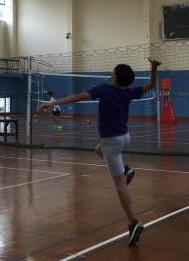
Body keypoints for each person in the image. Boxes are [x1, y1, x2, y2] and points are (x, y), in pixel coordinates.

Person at [39, 58, 161, 246]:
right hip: (124, 138)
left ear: (116, 76)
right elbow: (152, 84)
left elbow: (78, 96)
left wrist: (54, 104)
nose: (111, 74)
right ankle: (126, 169)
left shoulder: (104, 89)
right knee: (98, 149)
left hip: (112, 142)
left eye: (113, 72)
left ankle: (133, 222)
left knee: (120, 186)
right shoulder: (129, 92)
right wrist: (154, 68)